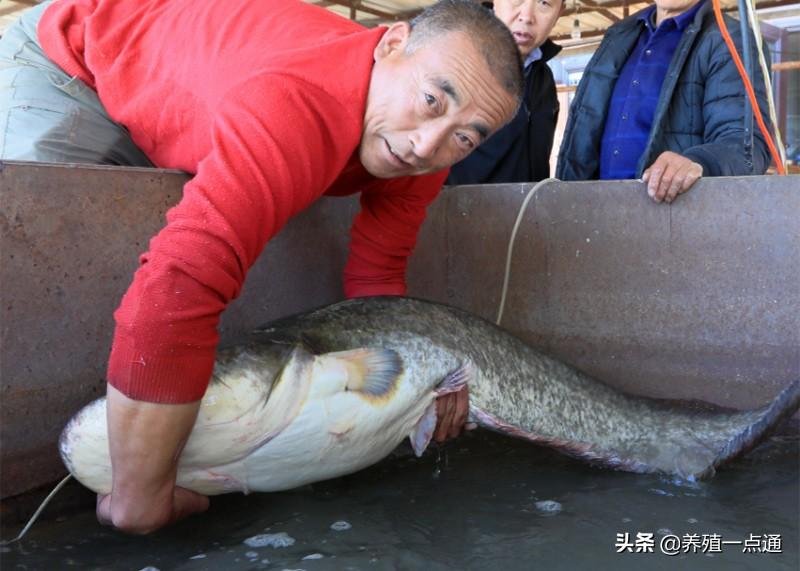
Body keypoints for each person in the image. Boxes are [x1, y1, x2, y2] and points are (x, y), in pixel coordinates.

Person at [0, 0, 522, 533]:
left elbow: (378, 283)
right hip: (72, 60)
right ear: (390, 45)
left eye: (465, 137)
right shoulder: (295, 103)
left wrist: (430, 375)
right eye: (431, 100)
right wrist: (140, 498)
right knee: (81, 259)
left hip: (198, 74)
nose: (425, 145)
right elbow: (179, 285)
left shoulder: (423, 151)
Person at [556, 0, 772, 203]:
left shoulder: (729, 39)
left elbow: (747, 147)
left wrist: (699, 162)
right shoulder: (618, 36)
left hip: (671, 222)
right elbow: (581, 134)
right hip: (594, 211)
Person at [447, 0, 563, 184]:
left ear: (559, 13)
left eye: (544, 2)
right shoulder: (456, 60)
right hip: (459, 209)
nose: (527, 16)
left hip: (529, 209)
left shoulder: (543, 77)